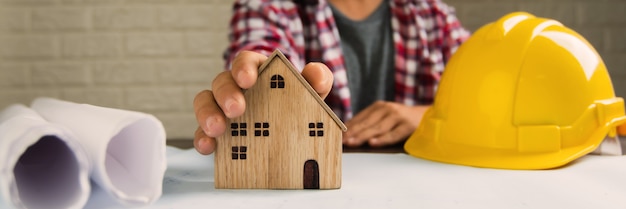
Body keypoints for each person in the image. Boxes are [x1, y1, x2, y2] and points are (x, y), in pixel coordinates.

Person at [193, 0, 470, 155]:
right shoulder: (268, 6)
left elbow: (491, 102)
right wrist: (255, 78)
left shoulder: (434, 15)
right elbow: (260, 51)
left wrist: (427, 115)